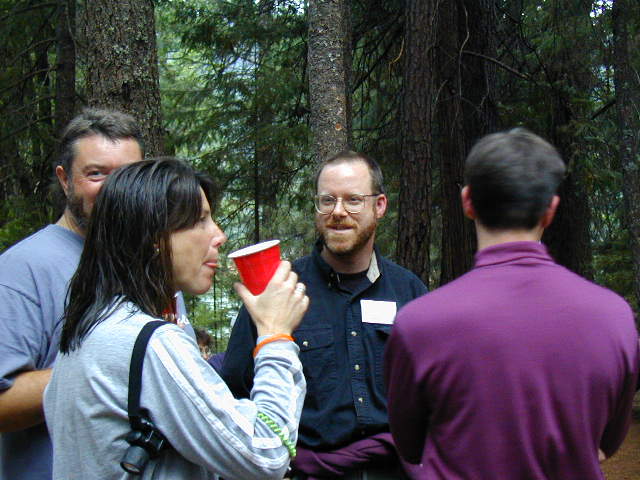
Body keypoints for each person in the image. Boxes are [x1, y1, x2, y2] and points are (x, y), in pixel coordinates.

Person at [384, 128, 639, 479]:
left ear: (467, 202)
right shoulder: (613, 316)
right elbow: (608, 441)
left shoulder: (419, 323)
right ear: (550, 210)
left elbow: (409, 446)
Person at [44, 158, 309, 480]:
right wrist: (275, 336)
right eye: (200, 220)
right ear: (153, 237)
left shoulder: (89, 326)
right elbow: (266, 453)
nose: (220, 235)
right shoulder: (150, 342)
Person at [222, 151, 428, 478]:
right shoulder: (281, 291)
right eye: (327, 200)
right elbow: (236, 388)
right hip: (306, 471)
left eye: (353, 200)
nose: (338, 212)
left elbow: (431, 395)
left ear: (380, 206)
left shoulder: (409, 291)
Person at [0, 108, 144, 480]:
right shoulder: (23, 269)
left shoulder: (150, 265)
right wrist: (110, 369)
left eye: (127, 175)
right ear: (65, 180)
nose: (114, 189)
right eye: (96, 174)